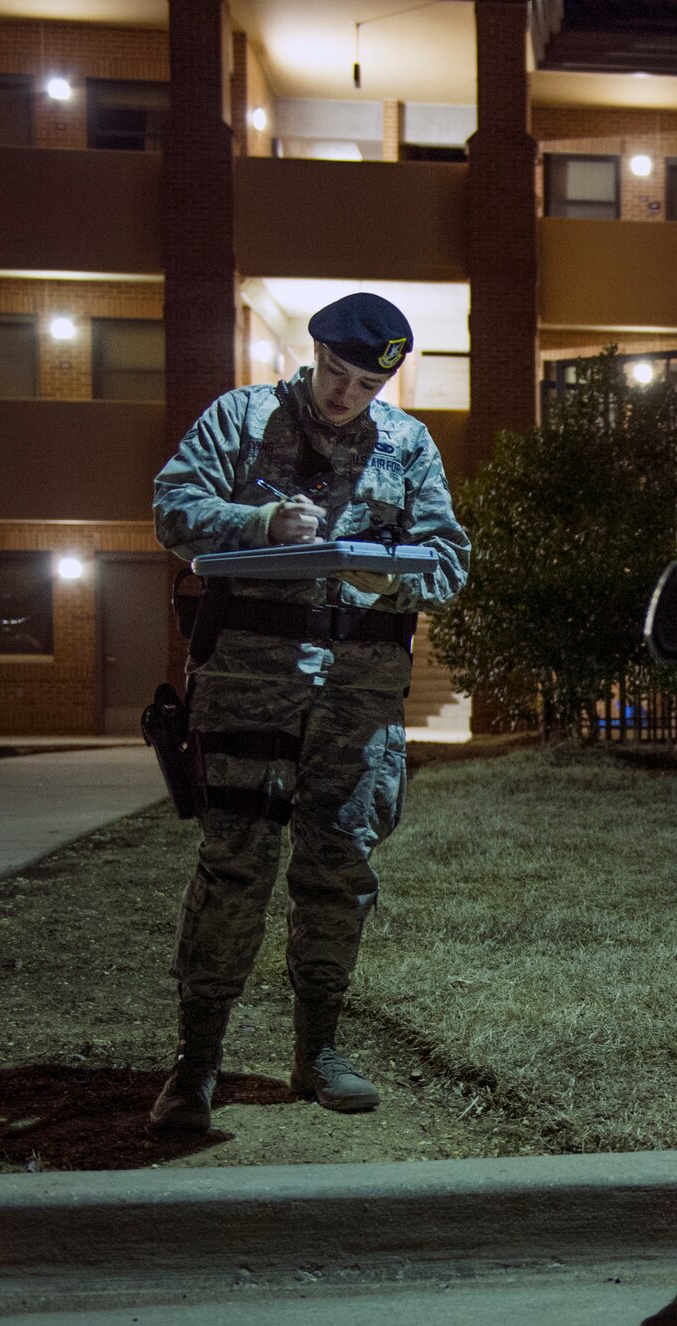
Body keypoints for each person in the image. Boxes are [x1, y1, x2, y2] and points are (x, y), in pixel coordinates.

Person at [147, 292, 470, 1133]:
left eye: (365, 383)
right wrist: (259, 521)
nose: (344, 395)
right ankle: (196, 1063)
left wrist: (389, 574)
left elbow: (449, 559)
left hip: (358, 700)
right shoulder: (243, 418)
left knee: (340, 872)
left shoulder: (407, 445)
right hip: (250, 684)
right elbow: (174, 508)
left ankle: (318, 1050)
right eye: (334, 372)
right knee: (233, 869)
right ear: (313, 353)